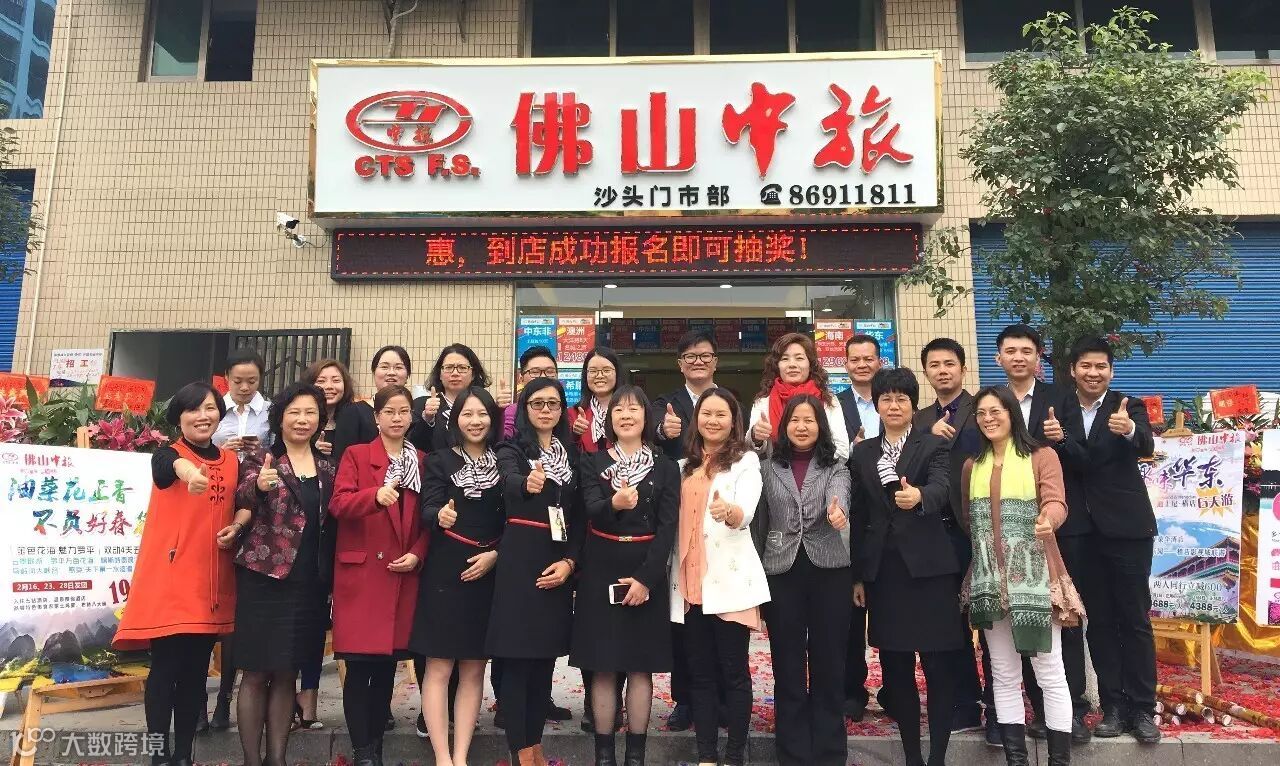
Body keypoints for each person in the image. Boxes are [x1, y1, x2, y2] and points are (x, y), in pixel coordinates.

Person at [113, 382, 241, 766]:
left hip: (211, 582)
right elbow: (169, 468)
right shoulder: (168, 454)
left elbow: (242, 503)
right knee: (164, 671)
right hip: (171, 581)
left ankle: (183, 755)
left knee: (195, 674)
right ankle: (159, 755)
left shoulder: (231, 461)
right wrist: (189, 472)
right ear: (179, 418)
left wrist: (238, 524)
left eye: (210, 408)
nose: (203, 416)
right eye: (193, 410)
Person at [961, 386, 1085, 766]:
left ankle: (1059, 761)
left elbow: (1056, 501)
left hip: (1035, 578)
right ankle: (1017, 761)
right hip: (989, 582)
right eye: (982, 413)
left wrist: (1049, 520)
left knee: (1049, 673)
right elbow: (968, 520)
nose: (988, 419)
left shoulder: (1041, 456)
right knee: (1003, 673)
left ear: (1012, 413)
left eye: (995, 411)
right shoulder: (971, 466)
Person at [850, 368, 960, 766]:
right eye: (886, 399)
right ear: (877, 405)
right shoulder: (863, 453)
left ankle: (938, 757)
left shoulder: (933, 445)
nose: (893, 405)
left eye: (901, 399)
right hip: (885, 575)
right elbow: (860, 515)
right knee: (896, 670)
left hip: (929, 572)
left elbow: (943, 487)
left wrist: (920, 497)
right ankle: (913, 756)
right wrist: (858, 576)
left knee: (937, 668)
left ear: (914, 405)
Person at [571, 384, 679, 766]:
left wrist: (647, 579)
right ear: (609, 418)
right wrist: (614, 503)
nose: (626, 415)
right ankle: (604, 756)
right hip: (600, 566)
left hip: (645, 569)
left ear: (646, 417)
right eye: (618, 409)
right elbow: (589, 509)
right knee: (602, 665)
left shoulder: (665, 467)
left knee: (639, 665)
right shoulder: (593, 462)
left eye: (634, 409)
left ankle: (636, 756)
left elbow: (668, 527)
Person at [1060, 337, 1160, 744]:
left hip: (1128, 528)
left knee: (1134, 618)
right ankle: (1114, 707)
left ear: (1111, 371)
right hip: (1081, 531)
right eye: (1086, 365)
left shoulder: (1127, 405)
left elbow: (1147, 443)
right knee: (1098, 621)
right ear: (1073, 370)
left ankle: (1143, 709)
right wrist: (1058, 439)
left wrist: (1131, 430)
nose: (1093, 373)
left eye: (1101, 366)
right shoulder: (1059, 409)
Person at [994, 324, 1090, 741]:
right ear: (999, 357)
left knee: (1060, 619)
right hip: (1006, 537)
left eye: (1026, 351)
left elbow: (1085, 456)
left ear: (1038, 357)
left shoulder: (1062, 399)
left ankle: (1072, 711)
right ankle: (1033, 708)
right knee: (1014, 622)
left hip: (1056, 528)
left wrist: (1062, 439)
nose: (1018, 357)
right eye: (1010, 351)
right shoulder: (992, 402)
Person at [232, 383, 336, 766]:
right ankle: (251, 760)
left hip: (309, 585)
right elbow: (243, 494)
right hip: (264, 579)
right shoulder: (261, 458)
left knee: (287, 672)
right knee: (256, 673)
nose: (302, 420)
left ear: (320, 420)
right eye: (294, 412)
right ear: (279, 417)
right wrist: (259, 486)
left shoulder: (328, 466)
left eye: (310, 413)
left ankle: (277, 759)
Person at [329, 385, 428, 766]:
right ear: (376, 417)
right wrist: (373, 497)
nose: (397, 418)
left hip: (401, 574)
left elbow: (429, 519)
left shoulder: (421, 460)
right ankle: (362, 751)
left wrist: (418, 554)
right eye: (390, 411)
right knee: (358, 668)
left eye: (404, 411)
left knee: (387, 667)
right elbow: (338, 503)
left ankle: (376, 749)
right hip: (363, 576)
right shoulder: (357, 455)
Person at [671, 388, 768, 766]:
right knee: (700, 676)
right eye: (706, 413)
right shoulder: (683, 466)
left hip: (729, 584)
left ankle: (734, 756)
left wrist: (731, 512)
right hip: (690, 586)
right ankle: (707, 756)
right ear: (696, 419)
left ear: (733, 421)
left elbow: (746, 511)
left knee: (734, 674)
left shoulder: (745, 461)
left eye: (721, 414)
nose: (713, 420)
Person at [490, 378, 584, 766]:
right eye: (537, 403)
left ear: (562, 410)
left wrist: (570, 563)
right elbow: (507, 479)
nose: (546, 410)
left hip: (557, 560)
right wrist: (527, 483)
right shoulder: (512, 449)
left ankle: (535, 747)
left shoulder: (573, 455)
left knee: (544, 660)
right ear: (525, 409)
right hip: (520, 559)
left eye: (553, 403)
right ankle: (521, 752)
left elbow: (579, 518)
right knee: (517, 659)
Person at [412, 387, 505, 766]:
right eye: (467, 414)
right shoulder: (440, 460)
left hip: (489, 569)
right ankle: (442, 757)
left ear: (492, 419)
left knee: (473, 667)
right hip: (446, 570)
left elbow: (515, 518)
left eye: (482, 413)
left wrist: (497, 555)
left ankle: (462, 756)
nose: (475, 421)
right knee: (439, 665)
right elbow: (426, 509)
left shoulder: (506, 461)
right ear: (455, 419)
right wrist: (440, 515)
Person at [759, 394, 851, 766]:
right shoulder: (768, 467)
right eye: (795, 420)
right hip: (781, 572)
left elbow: (840, 495)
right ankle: (793, 754)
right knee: (788, 664)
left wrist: (838, 512)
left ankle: (829, 753)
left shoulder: (836, 466)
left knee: (829, 662)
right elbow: (760, 522)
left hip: (829, 571)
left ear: (820, 426)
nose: (801, 426)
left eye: (809, 420)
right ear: (785, 426)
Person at [650, 330, 735, 731]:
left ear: (715, 361)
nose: (698, 361)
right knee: (684, 615)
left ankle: (723, 698)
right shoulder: (664, 404)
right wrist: (662, 433)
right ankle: (685, 699)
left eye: (704, 355)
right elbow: (651, 439)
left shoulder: (730, 401)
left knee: (722, 615)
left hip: (723, 518)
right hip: (682, 514)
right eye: (690, 356)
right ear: (679, 363)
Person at [913, 338, 988, 739]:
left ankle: (998, 703)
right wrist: (927, 434)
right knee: (947, 621)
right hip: (934, 532)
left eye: (949, 363)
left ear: (962, 368)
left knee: (987, 618)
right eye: (934, 365)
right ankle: (962, 700)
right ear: (926, 371)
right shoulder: (920, 418)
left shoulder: (984, 409)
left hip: (975, 527)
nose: (942, 371)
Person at [208, 348, 271, 729]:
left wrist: (258, 453)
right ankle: (201, 698)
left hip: (255, 506)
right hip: (216, 500)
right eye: (238, 381)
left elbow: (279, 452)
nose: (245, 388)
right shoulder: (213, 409)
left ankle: (226, 696)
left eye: (252, 381)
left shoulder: (271, 411)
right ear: (227, 378)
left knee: (238, 607)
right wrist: (223, 449)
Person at [294, 358, 356, 730]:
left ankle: (310, 702)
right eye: (322, 379)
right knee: (294, 626)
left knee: (318, 625)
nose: (330, 385)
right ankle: (286, 700)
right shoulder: (295, 431)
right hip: (294, 544)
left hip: (335, 534)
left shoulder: (356, 418)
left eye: (336, 379)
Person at [834, 333, 879, 722]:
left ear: (879, 362)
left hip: (892, 513)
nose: (862, 364)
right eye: (855, 359)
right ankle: (852, 690)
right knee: (851, 613)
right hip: (850, 513)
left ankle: (897, 689)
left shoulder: (894, 399)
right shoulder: (834, 404)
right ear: (845, 364)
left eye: (869, 358)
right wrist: (853, 451)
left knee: (891, 610)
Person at [748, 332, 850, 462]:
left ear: (810, 364)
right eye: (785, 359)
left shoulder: (828, 399)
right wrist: (756, 437)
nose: (792, 364)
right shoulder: (763, 402)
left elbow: (842, 449)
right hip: (776, 472)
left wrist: (810, 468)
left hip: (821, 471)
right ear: (777, 365)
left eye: (799, 358)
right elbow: (749, 450)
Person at [411, 343, 511, 454]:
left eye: (462, 368)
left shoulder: (485, 405)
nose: (455, 373)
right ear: (440, 374)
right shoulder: (421, 405)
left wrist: (499, 411)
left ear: (473, 374)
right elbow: (412, 446)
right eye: (448, 368)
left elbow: (496, 443)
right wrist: (427, 419)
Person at [331, 345, 411, 464]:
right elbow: (342, 460)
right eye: (384, 367)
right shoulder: (353, 411)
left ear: (407, 375)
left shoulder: (418, 414)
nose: (391, 372)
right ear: (374, 372)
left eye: (398, 367)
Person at [568, 346, 625, 455]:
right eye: (593, 371)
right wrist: (575, 435)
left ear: (617, 373)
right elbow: (568, 455)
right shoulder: (573, 414)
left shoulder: (630, 412)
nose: (599, 376)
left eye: (606, 370)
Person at [303, 357, 357, 462]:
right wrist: (310, 450)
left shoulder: (355, 420)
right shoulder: (301, 420)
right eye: (321, 381)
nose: (329, 386)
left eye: (336, 380)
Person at [504, 345, 560, 438]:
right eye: (535, 372)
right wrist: (499, 413)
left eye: (550, 372)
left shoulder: (564, 413)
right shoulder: (511, 413)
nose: (543, 377)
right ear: (521, 379)